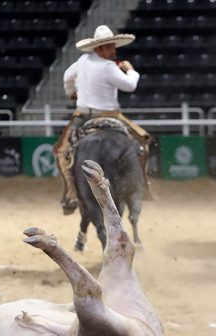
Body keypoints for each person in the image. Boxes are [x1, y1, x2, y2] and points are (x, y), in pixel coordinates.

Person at [54, 25, 154, 215]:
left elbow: (67, 76)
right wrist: (131, 70)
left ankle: (71, 192)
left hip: (82, 115)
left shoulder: (82, 61)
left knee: (62, 152)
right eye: (109, 47)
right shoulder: (109, 67)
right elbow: (130, 86)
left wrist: (72, 93)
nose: (113, 50)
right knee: (143, 143)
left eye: (113, 46)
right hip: (110, 115)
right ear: (99, 48)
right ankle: (143, 185)